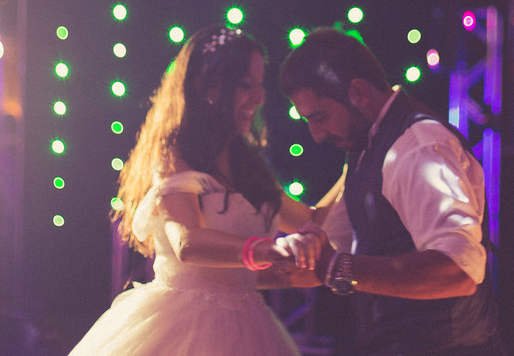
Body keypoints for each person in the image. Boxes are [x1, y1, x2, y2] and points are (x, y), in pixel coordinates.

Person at [66, 25, 329, 356]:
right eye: (245, 85)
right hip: (180, 324)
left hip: (249, 326)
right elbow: (188, 242)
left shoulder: (248, 167)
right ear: (208, 87)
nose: (259, 98)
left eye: (259, 85)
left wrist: (358, 160)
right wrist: (268, 250)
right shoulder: (175, 155)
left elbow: (313, 221)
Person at [279, 27, 504, 356]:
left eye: (320, 117)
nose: (316, 135)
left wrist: (341, 269)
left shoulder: (419, 147)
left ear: (358, 92)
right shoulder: (367, 145)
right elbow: (326, 246)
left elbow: (458, 270)